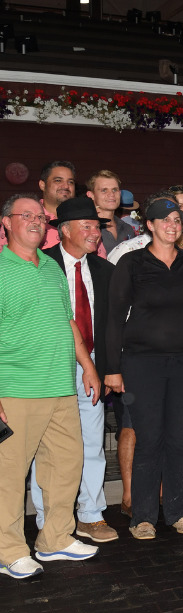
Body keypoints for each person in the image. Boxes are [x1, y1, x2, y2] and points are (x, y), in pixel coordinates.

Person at [0, 193, 102, 579]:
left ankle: (54, 539)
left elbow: (68, 324)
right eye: (25, 215)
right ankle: (8, 551)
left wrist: (88, 365)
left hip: (61, 387)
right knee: (8, 475)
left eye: (41, 217)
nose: (36, 221)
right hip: (15, 389)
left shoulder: (51, 268)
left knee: (66, 466)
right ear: (5, 222)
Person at [106, 197, 183, 540]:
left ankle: (179, 511)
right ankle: (142, 516)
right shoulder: (131, 263)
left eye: (176, 219)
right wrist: (112, 368)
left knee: (178, 437)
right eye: (164, 220)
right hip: (142, 363)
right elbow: (113, 318)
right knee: (149, 438)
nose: (172, 225)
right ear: (149, 226)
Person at [31, 198, 116, 543]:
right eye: (88, 226)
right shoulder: (40, 265)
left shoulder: (104, 270)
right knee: (46, 449)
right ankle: (48, 518)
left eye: (98, 227)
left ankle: (91, 515)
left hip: (91, 370)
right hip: (49, 370)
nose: (96, 233)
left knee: (92, 444)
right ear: (64, 231)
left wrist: (107, 369)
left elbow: (110, 326)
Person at [86, 170, 136, 255]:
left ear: (120, 193)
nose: (111, 194)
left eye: (114, 190)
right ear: (91, 195)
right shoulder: (86, 228)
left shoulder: (127, 229)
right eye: (104, 190)